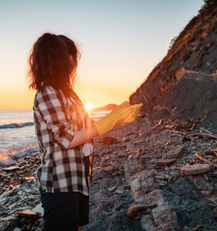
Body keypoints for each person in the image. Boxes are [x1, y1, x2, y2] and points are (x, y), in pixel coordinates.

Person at [27, 32, 142, 231]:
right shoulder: (48, 94)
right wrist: (106, 123)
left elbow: (85, 128)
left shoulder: (69, 94)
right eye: (71, 56)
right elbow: (66, 139)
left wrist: (115, 115)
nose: (75, 64)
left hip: (79, 180)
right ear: (59, 59)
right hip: (60, 185)